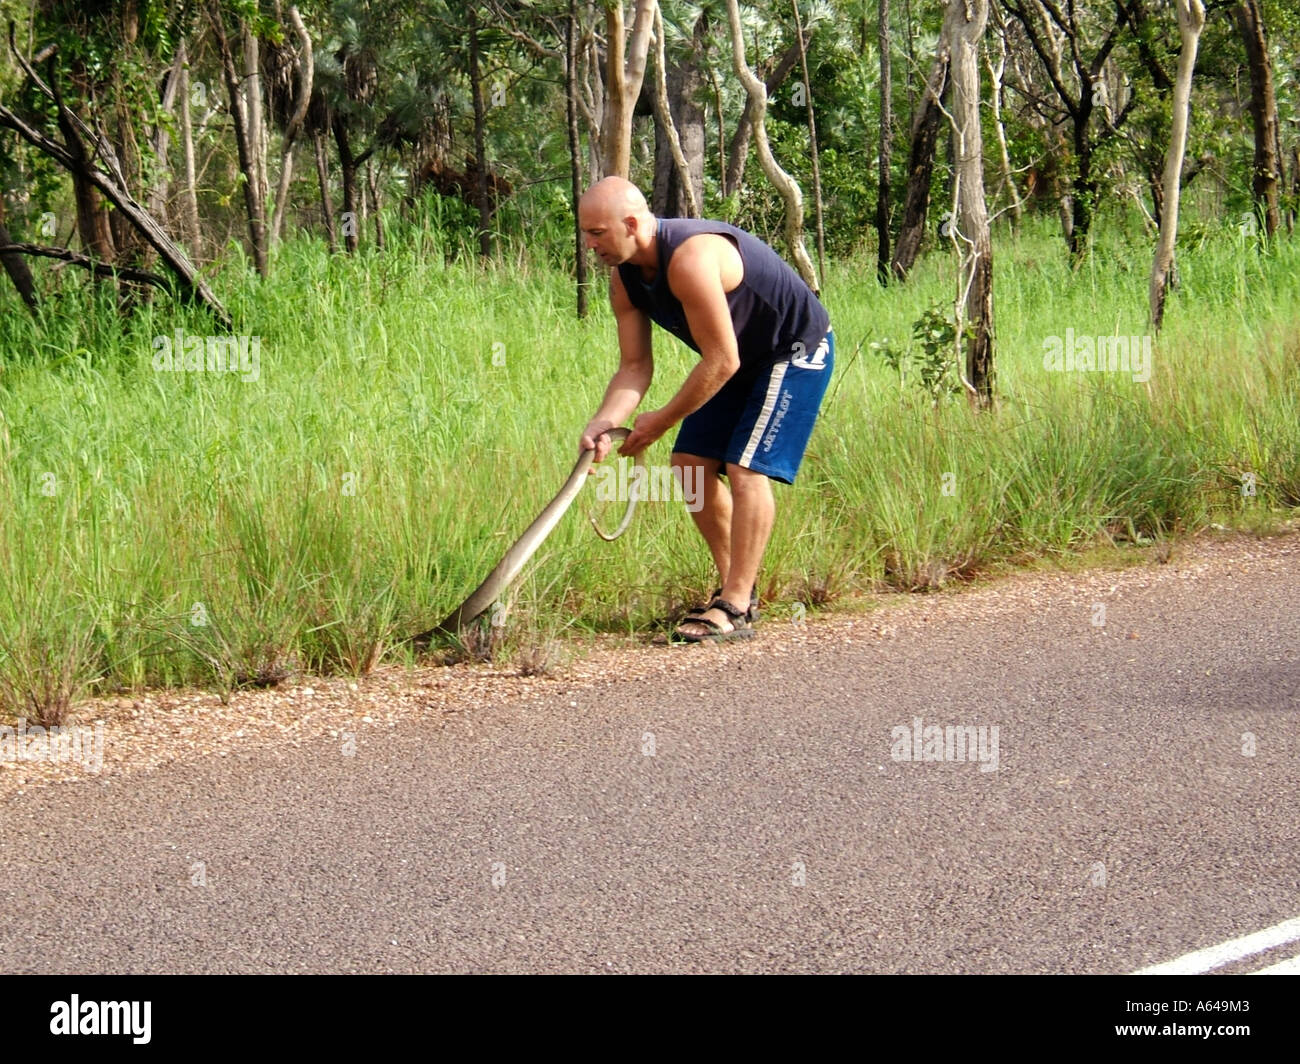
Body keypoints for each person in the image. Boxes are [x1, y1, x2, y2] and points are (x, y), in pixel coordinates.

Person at [578, 176, 833, 642]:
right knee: (690, 464)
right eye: (586, 234)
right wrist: (604, 422)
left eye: (597, 233)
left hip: (794, 351)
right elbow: (634, 367)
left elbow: (722, 359)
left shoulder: (691, 259)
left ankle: (735, 606)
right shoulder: (625, 279)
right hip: (738, 360)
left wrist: (660, 422)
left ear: (632, 224)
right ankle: (738, 590)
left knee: (744, 468)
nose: (589, 244)